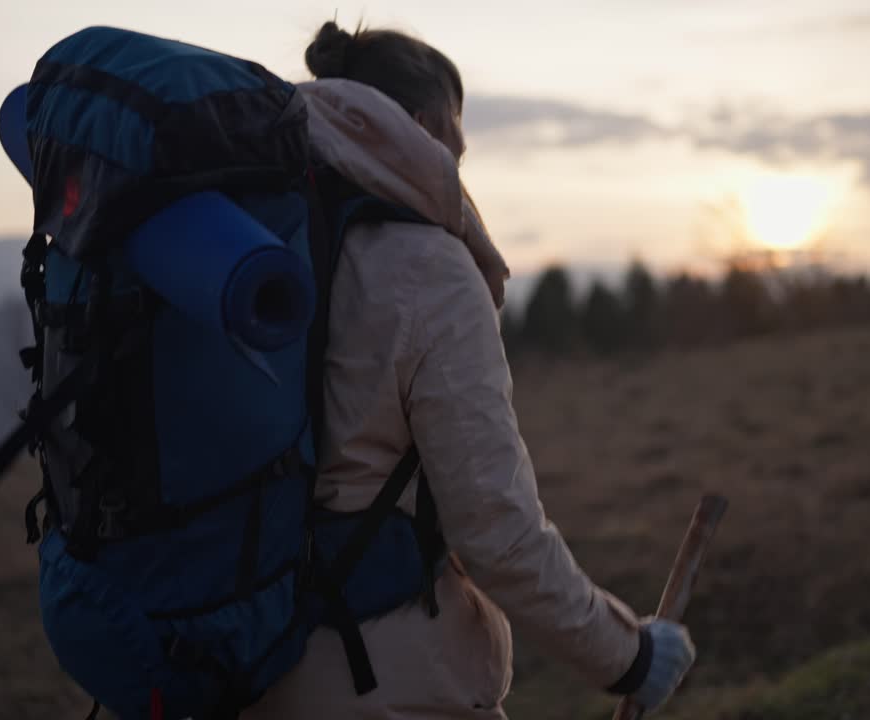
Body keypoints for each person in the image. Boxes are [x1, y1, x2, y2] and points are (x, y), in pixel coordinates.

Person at [245, 21, 696, 720]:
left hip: (237, 666)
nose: (459, 157)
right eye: (458, 136)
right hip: (383, 684)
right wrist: (629, 654)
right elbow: (497, 533)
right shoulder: (426, 269)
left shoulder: (253, 247)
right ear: (422, 125)